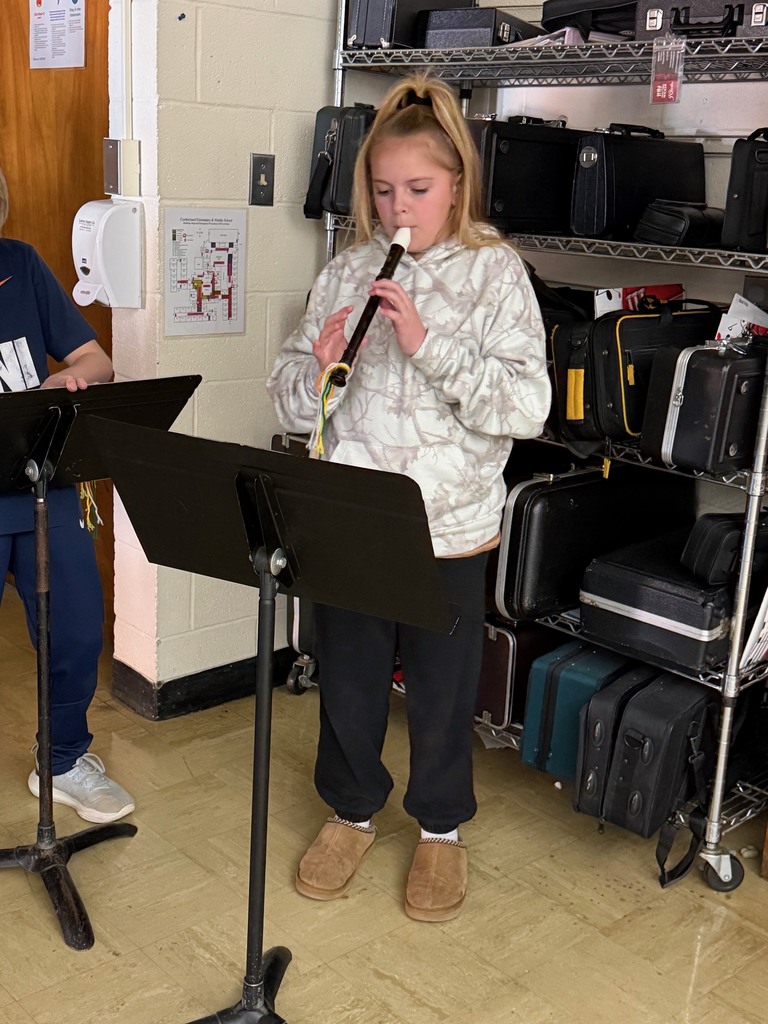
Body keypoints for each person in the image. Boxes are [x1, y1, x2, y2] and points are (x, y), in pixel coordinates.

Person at [266, 75, 549, 921]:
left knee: (439, 688)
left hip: (449, 527)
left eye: (419, 190)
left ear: (457, 182)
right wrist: (311, 375)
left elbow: (525, 407)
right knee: (348, 679)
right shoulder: (348, 268)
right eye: (384, 191)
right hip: (351, 520)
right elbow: (286, 396)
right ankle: (352, 811)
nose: (400, 207)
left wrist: (426, 345)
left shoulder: (495, 271)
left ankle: (440, 830)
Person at [0, 166, 135, 824]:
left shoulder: (19, 265)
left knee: (78, 631)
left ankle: (60, 761)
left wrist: (63, 383)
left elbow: (96, 360)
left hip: (45, 487)